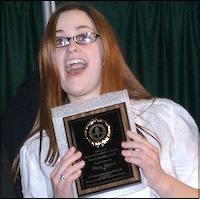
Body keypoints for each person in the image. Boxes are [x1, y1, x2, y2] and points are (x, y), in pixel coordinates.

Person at [11, 2, 199, 198]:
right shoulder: (37, 149)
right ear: (50, 62)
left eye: (84, 36)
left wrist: (161, 181)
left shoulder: (164, 117)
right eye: (60, 41)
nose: (72, 47)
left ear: (106, 51)